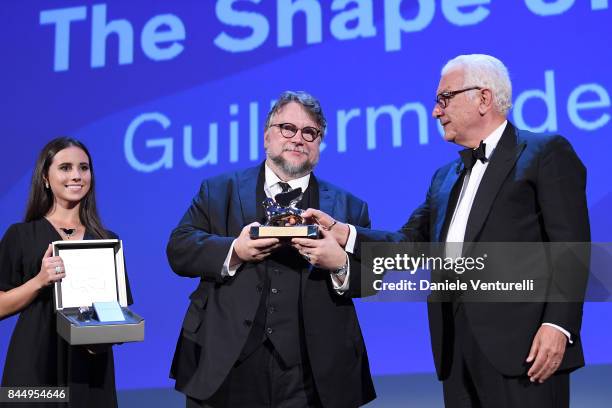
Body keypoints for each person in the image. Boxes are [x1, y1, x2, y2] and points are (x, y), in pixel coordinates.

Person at [304, 54, 589, 407]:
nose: (436, 111)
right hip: (456, 353)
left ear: (483, 98)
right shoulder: (444, 178)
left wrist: (558, 326)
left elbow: (571, 247)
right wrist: (344, 233)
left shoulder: (544, 153)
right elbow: (409, 245)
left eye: (444, 98)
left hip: (526, 351)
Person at [167, 91, 376, 408]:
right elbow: (179, 249)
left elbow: (372, 278)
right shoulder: (219, 190)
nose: (298, 139)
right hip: (226, 364)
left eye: (310, 132)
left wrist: (340, 265)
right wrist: (235, 250)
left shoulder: (348, 207)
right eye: (287, 128)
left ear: (319, 145)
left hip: (312, 374)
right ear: (267, 136)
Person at [0, 137, 131, 407]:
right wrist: (39, 281)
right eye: (66, 167)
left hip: (91, 372)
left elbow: (117, 313)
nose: (76, 176)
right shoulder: (21, 235)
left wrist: (101, 337)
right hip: (34, 367)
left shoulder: (106, 241)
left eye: (84, 168)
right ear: (45, 178)